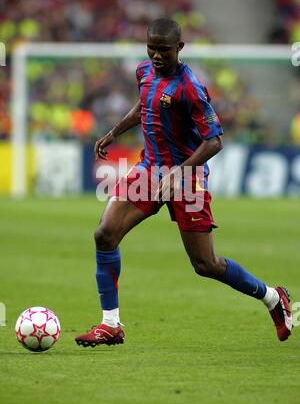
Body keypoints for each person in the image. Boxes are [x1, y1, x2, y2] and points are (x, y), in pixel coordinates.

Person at [75, 19, 292, 347]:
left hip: (187, 179)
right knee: (105, 234)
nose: (157, 56)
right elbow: (144, 105)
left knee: (206, 264)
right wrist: (113, 132)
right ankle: (111, 324)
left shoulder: (190, 86)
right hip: (148, 172)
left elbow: (215, 141)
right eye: (152, 49)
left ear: (180, 48)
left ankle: (273, 298)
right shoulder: (143, 72)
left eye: (164, 50)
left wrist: (179, 172)